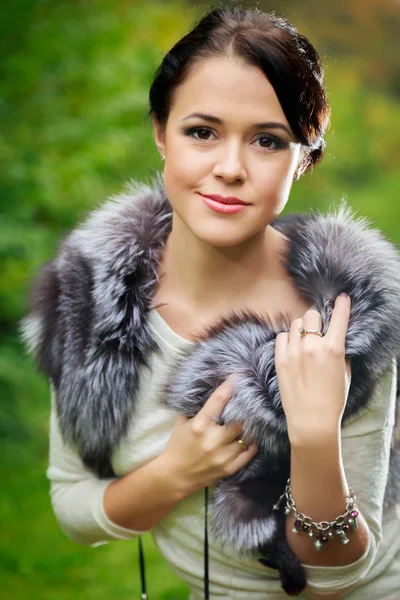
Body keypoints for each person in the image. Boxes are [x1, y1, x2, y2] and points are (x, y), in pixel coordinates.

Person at [22, 6, 400, 600]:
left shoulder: (346, 320)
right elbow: (72, 502)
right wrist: (176, 473)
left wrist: (313, 439)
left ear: (305, 158)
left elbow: (339, 576)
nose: (229, 168)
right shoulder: (92, 301)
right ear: (159, 132)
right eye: (201, 131)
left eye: (268, 141)